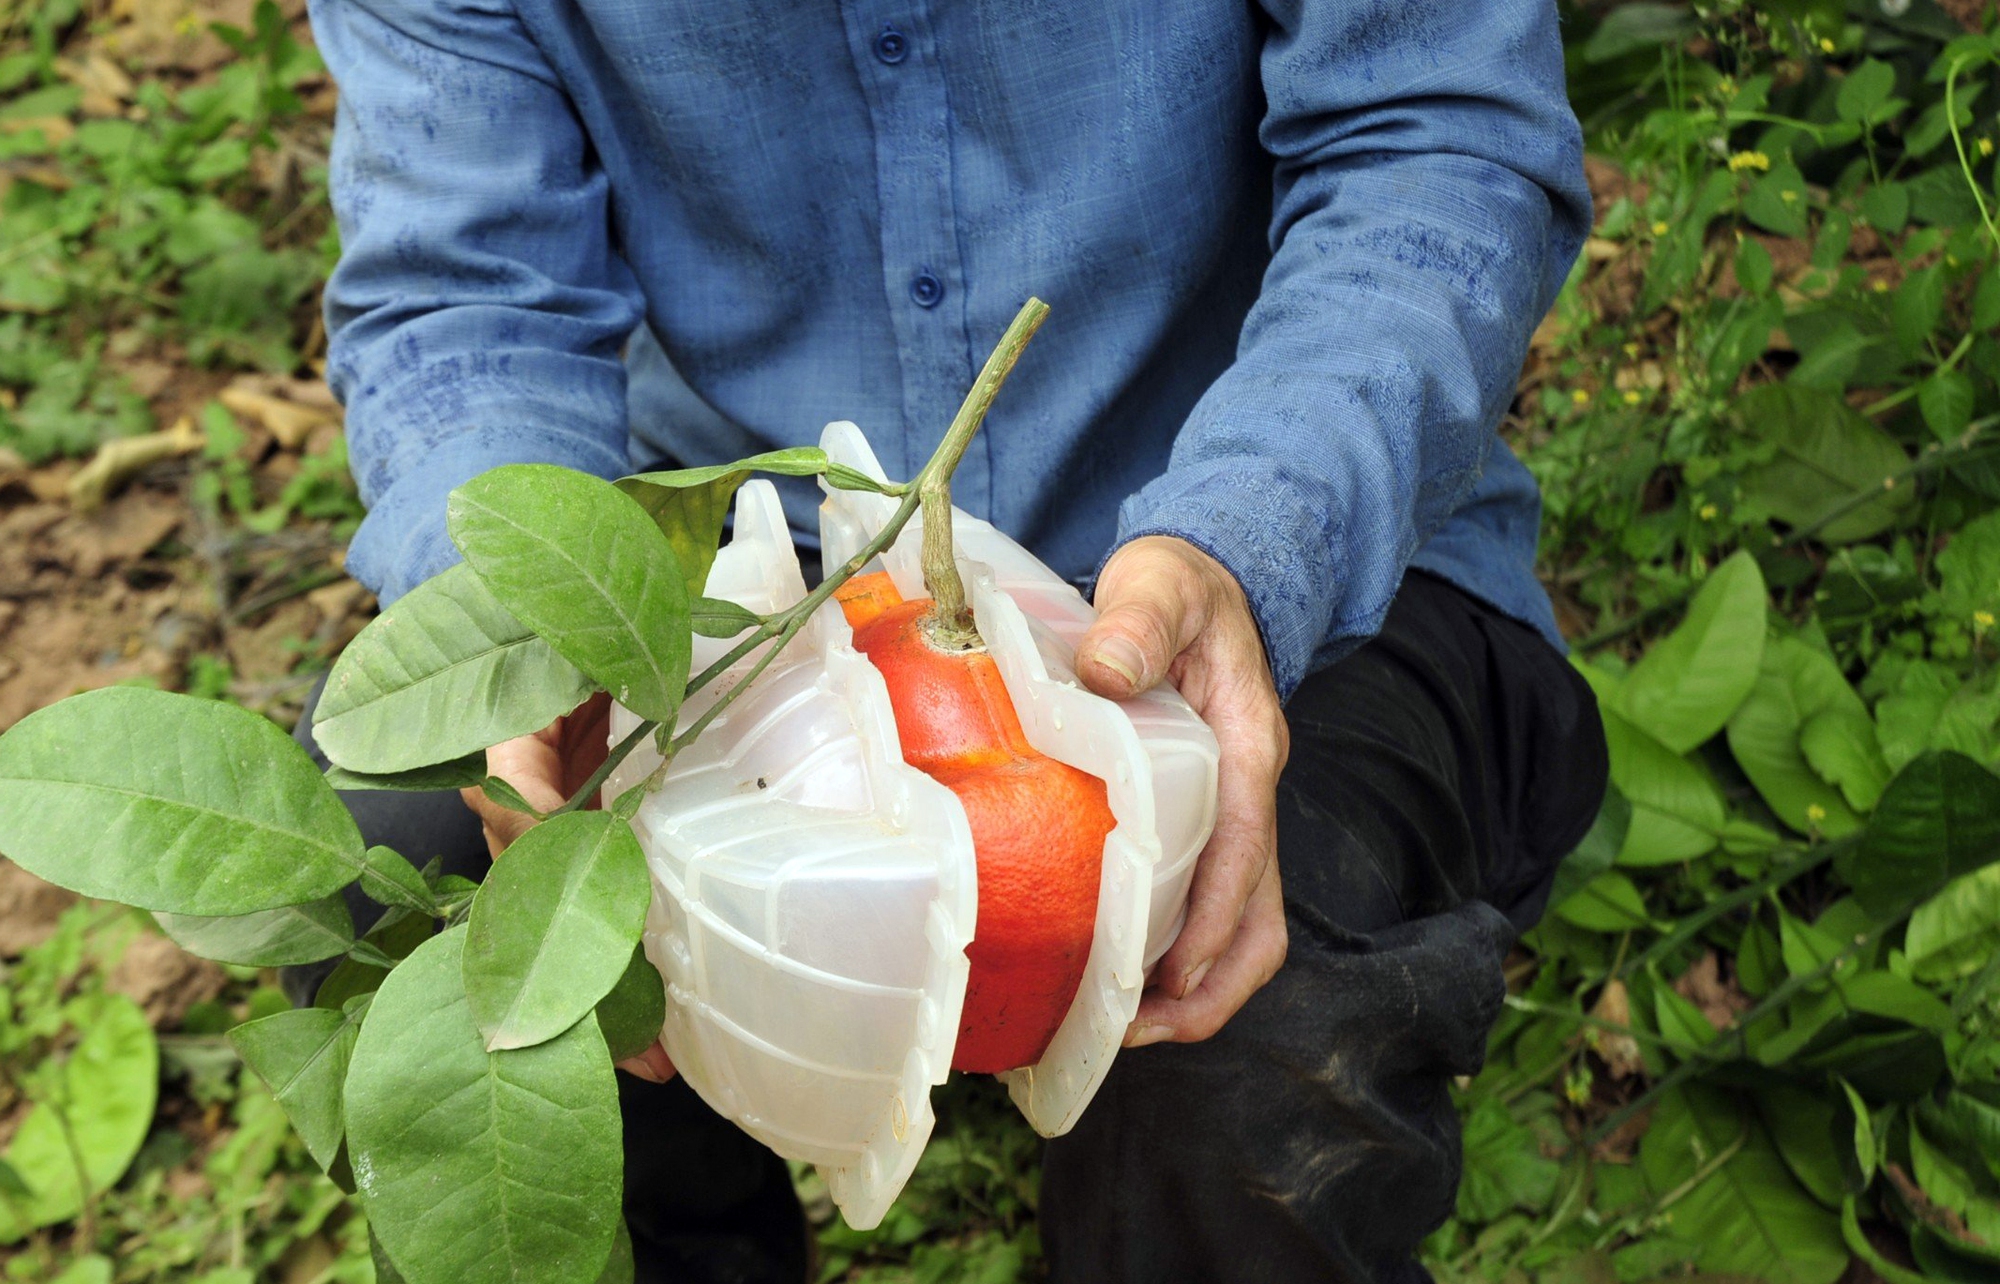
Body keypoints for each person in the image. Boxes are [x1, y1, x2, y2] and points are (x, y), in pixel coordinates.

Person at [294, 0, 1609, 1279]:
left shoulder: (1263, 536)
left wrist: (1255, 534)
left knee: (1250, 1049)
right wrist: (534, 621)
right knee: (425, 856)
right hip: (770, 545)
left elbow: (1438, 138)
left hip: (1262, 534)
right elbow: (465, 286)